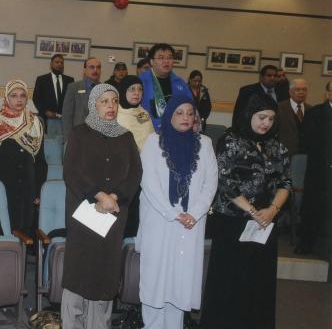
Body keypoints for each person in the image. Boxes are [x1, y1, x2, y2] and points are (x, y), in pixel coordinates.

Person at [201, 94, 291, 329]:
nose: (266, 123)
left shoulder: (277, 145)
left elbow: (285, 183)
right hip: (233, 221)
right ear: (249, 115)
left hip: (266, 222)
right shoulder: (231, 140)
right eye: (262, 117)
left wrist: (272, 210)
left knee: (258, 283)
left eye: (271, 119)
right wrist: (253, 211)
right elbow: (224, 181)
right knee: (231, 281)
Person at [61, 84, 142, 329]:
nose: (110, 106)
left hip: (114, 214)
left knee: (106, 272)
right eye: (104, 101)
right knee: (79, 271)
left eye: (114, 101)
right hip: (85, 213)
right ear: (93, 105)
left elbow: (135, 173)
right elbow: (72, 171)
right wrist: (98, 195)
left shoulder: (126, 137)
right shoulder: (79, 133)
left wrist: (114, 196)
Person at [136, 96, 218, 329]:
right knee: (155, 281)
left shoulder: (205, 143)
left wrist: (195, 212)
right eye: (179, 113)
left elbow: (211, 183)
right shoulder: (153, 142)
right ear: (169, 115)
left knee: (180, 284)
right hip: (160, 221)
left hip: (191, 223)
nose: (185, 118)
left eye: (190, 113)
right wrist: (172, 213)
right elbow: (149, 182)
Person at [0, 80, 48, 235]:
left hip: (27, 187)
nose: (19, 100)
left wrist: (38, 192)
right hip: (3, 184)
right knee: (2, 228)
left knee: (25, 230)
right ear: (6, 98)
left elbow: (40, 161)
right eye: (14, 95)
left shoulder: (36, 122)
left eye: (23, 96)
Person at [295, 80, 332, 255]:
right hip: (320, 171)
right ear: (328, 93)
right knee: (313, 209)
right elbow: (308, 143)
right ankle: (306, 244)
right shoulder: (315, 113)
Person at [116, 75, 155, 237]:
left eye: (140, 89)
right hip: (120, 174)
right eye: (132, 89)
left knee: (136, 220)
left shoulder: (144, 114)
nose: (136, 93)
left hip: (143, 173)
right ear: (123, 91)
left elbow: (152, 141)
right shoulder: (115, 113)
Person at [138, 43, 192, 131]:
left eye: (169, 58)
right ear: (151, 61)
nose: (166, 61)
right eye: (161, 57)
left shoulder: (180, 83)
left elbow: (191, 107)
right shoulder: (141, 82)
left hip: (175, 133)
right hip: (148, 133)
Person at [61, 57, 101, 139]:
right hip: (77, 136)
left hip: (98, 136)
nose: (95, 70)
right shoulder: (74, 87)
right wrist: (68, 138)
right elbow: (67, 115)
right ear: (85, 70)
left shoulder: (105, 89)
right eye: (92, 67)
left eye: (98, 67)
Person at [32, 54, 74, 125]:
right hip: (46, 119)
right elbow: (36, 98)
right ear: (51, 64)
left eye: (61, 63)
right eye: (57, 62)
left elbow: (72, 99)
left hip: (64, 120)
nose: (59, 64)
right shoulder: (41, 80)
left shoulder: (70, 80)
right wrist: (45, 111)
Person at [277, 78, 310, 157]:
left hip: (307, 155)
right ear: (290, 92)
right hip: (284, 155)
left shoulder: (312, 110)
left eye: (304, 89)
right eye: (297, 89)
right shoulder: (278, 108)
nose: (301, 92)